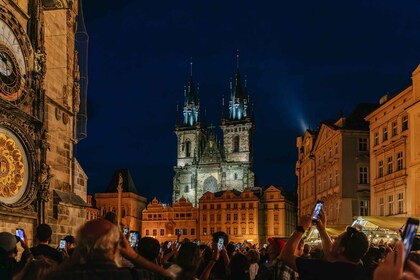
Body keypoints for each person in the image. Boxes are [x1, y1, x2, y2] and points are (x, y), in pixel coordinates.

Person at [45, 218, 172, 280]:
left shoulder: (63, 277)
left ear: (81, 247)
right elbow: (169, 277)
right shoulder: (133, 276)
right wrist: (134, 256)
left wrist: (73, 259)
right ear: (117, 246)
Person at [279, 208, 369, 280]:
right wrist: (322, 230)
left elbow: (285, 256)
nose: (333, 239)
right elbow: (332, 256)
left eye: (337, 240)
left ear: (341, 249)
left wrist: (301, 228)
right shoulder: (359, 268)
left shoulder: (323, 269)